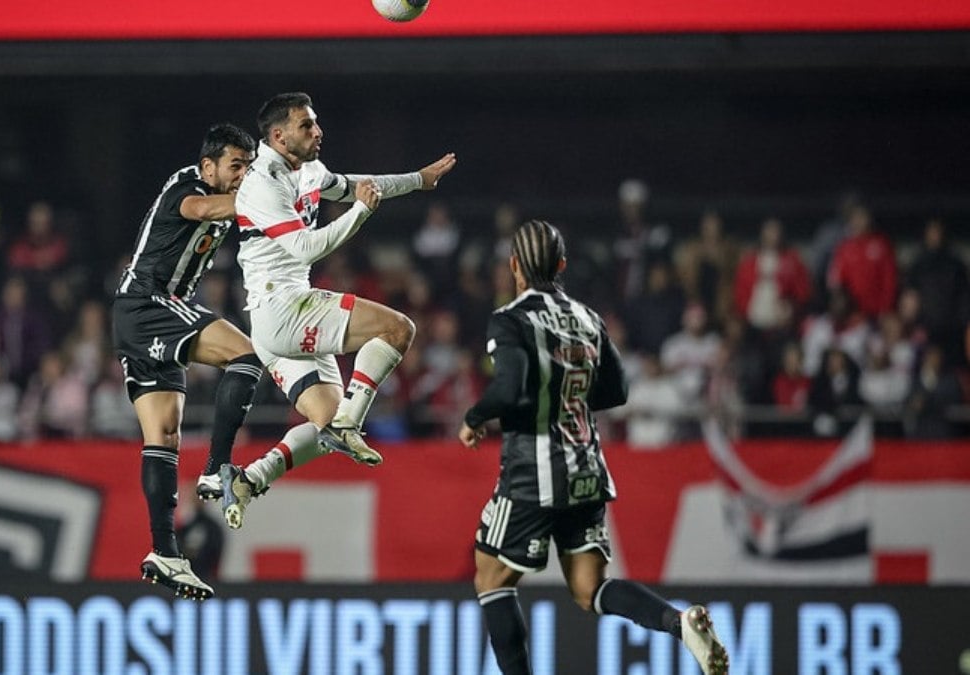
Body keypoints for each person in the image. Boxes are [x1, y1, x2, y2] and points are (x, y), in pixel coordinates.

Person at [457, 220, 729, 675]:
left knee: (491, 575)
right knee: (589, 589)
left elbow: (508, 387)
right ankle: (679, 623)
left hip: (533, 472)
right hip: (587, 469)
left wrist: (474, 417)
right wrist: (568, 396)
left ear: (514, 267)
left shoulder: (511, 319)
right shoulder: (588, 318)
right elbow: (618, 390)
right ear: (561, 265)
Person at [217, 91, 456, 529]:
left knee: (322, 422)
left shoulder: (308, 169)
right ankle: (349, 424)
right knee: (398, 329)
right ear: (278, 135)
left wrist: (418, 180)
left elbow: (357, 185)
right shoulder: (260, 183)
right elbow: (307, 247)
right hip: (283, 306)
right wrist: (361, 212)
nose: (317, 130)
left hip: (274, 320)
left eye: (315, 122)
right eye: (306, 125)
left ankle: (250, 479)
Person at [112, 122, 262, 601]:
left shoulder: (221, 191)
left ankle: (165, 551)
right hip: (153, 304)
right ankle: (218, 466)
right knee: (246, 355)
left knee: (164, 436)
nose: (243, 175)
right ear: (208, 166)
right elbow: (201, 209)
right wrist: (266, 198)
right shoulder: (189, 187)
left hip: (136, 316)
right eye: (236, 166)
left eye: (248, 167)